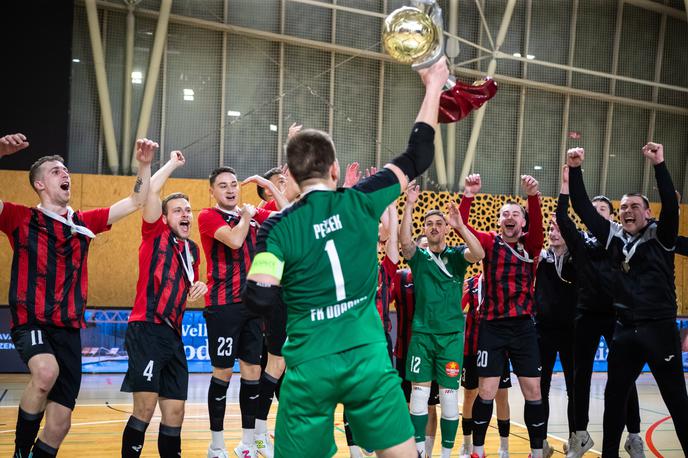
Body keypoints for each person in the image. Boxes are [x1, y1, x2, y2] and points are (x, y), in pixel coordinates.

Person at [243, 57, 451, 457]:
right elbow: (417, 154)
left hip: (308, 364)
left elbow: (260, 298)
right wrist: (433, 86)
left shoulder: (277, 229)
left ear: (291, 174)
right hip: (367, 357)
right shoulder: (362, 200)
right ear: (335, 170)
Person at [0, 134, 157, 458]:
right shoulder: (21, 218)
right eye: (56, 171)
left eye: (65, 169)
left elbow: (135, 202)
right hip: (31, 320)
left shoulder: (83, 224)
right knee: (44, 373)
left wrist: (144, 165)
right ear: (40, 184)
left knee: (60, 423)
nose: (64, 173)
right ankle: (19, 452)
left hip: (68, 327)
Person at [566, 145, 688, 457]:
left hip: (659, 330)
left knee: (677, 401)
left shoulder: (662, 236)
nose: (627, 211)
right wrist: (575, 169)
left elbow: (673, 209)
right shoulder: (614, 236)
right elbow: (581, 207)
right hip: (624, 331)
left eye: (635, 206)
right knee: (614, 399)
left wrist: (660, 164)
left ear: (648, 212)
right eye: (623, 207)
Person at [120, 150, 208, 458]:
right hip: (146, 329)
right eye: (178, 210)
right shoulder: (154, 234)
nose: (186, 214)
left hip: (173, 335)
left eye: (188, 209)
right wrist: (171, 163)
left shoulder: (193, 251)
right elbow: (150, 192)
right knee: (144, 409)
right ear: (164, 216)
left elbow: (187, 284)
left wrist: (201, 285)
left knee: (175, 412)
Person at [555, 166, 643, 458]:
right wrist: (565, 190)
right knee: (580, 376)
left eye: (603, 208)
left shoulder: (621, 241)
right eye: (593, 209)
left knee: (625, 378)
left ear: (611, 215)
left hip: (618, 315)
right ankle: (580, 435)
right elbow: (562, 221)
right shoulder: (579, 243)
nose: (598, 212)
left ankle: (633, 436)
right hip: (585, 314)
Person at [198, 167, 285, 458]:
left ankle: (248, 442)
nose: (230, 189)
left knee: (253, 372)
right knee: (222, 373)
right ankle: (216, 445)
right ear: (212, 191)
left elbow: (290, 215)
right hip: (223, 306)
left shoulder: (251, 213)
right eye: (222, 185)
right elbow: (235, 240)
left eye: (234, 184)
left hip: (253, 307)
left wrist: (267, 186)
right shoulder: (208, 216)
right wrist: (248, 215)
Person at [458, 173, 545, 458]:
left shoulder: (531, 245)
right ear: (498, 222)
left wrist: (532, 196)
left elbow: (538, 222)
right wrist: (469, 194)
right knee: (486, 391)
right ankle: (479, 451)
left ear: (522, 223)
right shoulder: (488, 243)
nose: (509, 217)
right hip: (492, 327)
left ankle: (535, 450)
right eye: (504, 214)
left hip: (523, 327)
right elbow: (462, 228)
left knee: (534, 391)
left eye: (515, 214)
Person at [400, 181, 485, 458]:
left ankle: (446, 454)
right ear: (424, 229)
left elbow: (480, 253)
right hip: (422, 337)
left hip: (450, 338)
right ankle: (421, 452)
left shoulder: (457, 257)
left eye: (439, 223)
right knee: (419, 396)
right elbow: (404, 243)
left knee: (450, 399)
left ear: (446, 228)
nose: (434, 227)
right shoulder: (419, 258)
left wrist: (461, 225)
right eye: (430, 224)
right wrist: (410, 204)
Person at [392, 235, 442, 458]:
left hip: (433, 353)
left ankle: (427, 453)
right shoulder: (401, 277)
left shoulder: (444, 277)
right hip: (405, 351)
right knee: (405, 405)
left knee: (430, 407)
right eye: (421, 249)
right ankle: (409, 450)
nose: (426, 253)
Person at [533, 218, 577, 457]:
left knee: (574, 389)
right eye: (551, 229)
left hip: (572, 333)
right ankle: (541, 443)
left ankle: (574, 439)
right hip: (543, 331)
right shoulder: (541, 258)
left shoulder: (577, 259)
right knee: (541, 389)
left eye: (559, 230)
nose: (553, 233)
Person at [459, 274, 512, 458]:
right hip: (472, 349)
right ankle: (467, 445)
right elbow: (458, 308)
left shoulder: (503, 282)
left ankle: (504, 447)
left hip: (498, 350)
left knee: (501, 396)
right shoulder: (471, 283)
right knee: (469, 396)